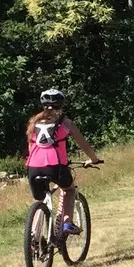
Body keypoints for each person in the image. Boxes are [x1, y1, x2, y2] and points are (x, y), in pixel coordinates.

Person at [26, 89, 103, 234]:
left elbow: (30, 147)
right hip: (56, 166)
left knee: (40, 200)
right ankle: (67, 223)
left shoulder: (33, 122)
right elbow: (83, 144)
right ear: (61, 105)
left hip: (33, 167)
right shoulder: (65, 123)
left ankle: (34, 238)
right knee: (69, 189)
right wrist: (93, 159)